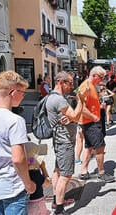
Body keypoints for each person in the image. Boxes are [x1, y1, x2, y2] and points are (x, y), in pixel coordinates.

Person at [0, 71, 36, 214]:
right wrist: (29, 184)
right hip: (12, 186)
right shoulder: (15, 120)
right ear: (13, 92)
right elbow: (18, 159)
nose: (23, 96)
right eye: (22, 93)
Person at [46, 71, 88, 215]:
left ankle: (56, 200)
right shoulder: (59, 100)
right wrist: (81, 100)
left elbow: (68, 117)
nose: (72, 86)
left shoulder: (53, 97)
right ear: (61, 82)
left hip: (59, 140)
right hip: (65, 142)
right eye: (70, 83)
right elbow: (76, 116)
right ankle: (59, 209)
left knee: (58, 172)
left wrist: (69, 118)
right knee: (66, 175)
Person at [78, 66, 115, 183]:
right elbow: (82, 108)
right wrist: (94, 117)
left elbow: (89, 106)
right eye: (101, 77)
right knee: (100, 147)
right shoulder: (86, 86)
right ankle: (101, 172)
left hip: (90, 121)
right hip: (91, 122)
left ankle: (84, 172)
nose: (102, 80)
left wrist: (100, 107)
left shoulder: (92, 86)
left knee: (89, 147)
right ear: (94, 75)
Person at [25, 143, 51, 215]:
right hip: (37, 204)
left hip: (25, 204)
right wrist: (43, 168)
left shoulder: (20, 173)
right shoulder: (35, 173)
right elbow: (47, 183)